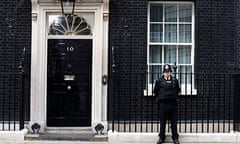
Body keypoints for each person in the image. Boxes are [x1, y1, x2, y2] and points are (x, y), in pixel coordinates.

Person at [154, 64, 180, 144]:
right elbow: (155, 91)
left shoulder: (175, 81)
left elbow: (178, 90)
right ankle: (161, 137)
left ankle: (175, 137)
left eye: (168, 72)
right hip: (163, 104)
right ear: (163, 73)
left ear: (170, 72)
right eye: (165, 72)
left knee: (174, 122)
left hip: (172, 104)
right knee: (162, 121)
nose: (167, 73)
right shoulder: (159, 81)